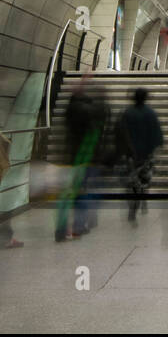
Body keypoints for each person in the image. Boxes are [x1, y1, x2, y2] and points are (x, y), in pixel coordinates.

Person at [57, 75, 109, 241]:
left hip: (72, 157)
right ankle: (79, 226)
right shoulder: (89, 112)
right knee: (83, 193)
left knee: (69, 194)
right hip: (85, 158)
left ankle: (63, 227)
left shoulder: (72, 109)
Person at [116, 87, 164, 222]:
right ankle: (142, 200)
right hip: (146, 155)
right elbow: (157, 135)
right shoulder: (151, 113)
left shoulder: (127, 113)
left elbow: (120, 133)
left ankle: (133, 206)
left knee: (131, 182)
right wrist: (156, 148)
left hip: (130, 155)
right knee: (144, 180)